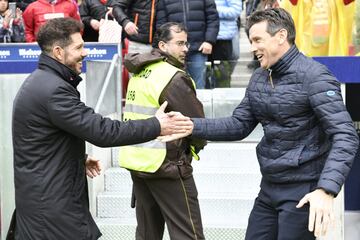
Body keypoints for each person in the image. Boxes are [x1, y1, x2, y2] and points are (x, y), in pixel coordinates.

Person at [160, 8, 360, 239]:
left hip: (303, 191)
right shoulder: (260, 77)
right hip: (269, 188)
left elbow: (346, 135)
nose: (253, 47)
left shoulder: (315, 76)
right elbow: (239, 124)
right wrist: (191, 126)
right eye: (250, 41)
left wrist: (326, 189)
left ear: (281, 36)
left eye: (257, 40)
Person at [11, 17, 192, 240]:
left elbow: (45, 139)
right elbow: (102, 131)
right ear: (58, 52)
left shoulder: (43, 82)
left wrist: (79, 156)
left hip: (47, 203)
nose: (85, 52)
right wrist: (157, 125)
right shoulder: (53, 90)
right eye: (78, 47)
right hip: (50, 212)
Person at [120, 22, 207, 239]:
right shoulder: (173, 77)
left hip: (139, 163)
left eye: (186, 43)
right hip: (168, 165)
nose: (186, 48)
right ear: (162, 45)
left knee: (148, 233)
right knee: (188, 233)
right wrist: (196, 147)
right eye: (179, 43)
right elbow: (196, 125)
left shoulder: (140, 72)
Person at [155, 0, 219, 89]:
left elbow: (213, 18)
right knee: (173, 84)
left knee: (198, 85)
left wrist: (209, 41)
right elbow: (161, 24)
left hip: (198, 48)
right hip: (174, 51)